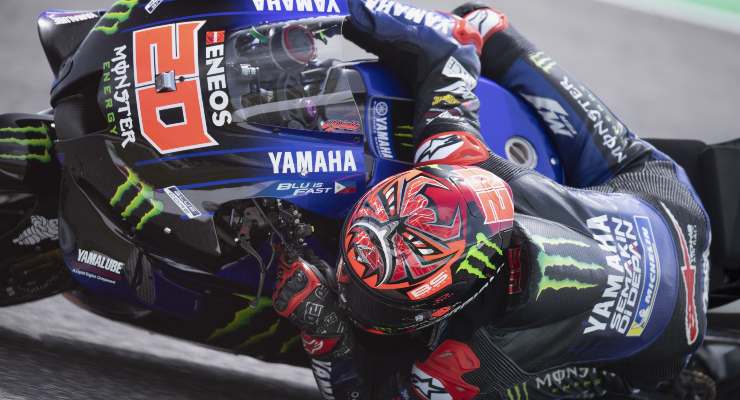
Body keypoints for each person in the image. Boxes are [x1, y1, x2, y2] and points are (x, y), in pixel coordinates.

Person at [272, 1, 712, 399]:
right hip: (667, 209)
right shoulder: (458, 163)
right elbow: (451, 43)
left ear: (452, 303)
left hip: (668, 337)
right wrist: (338, 10)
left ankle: (666, 392)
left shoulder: (469, 357)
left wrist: (326, 339)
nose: (348, 283)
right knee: (483, 23)